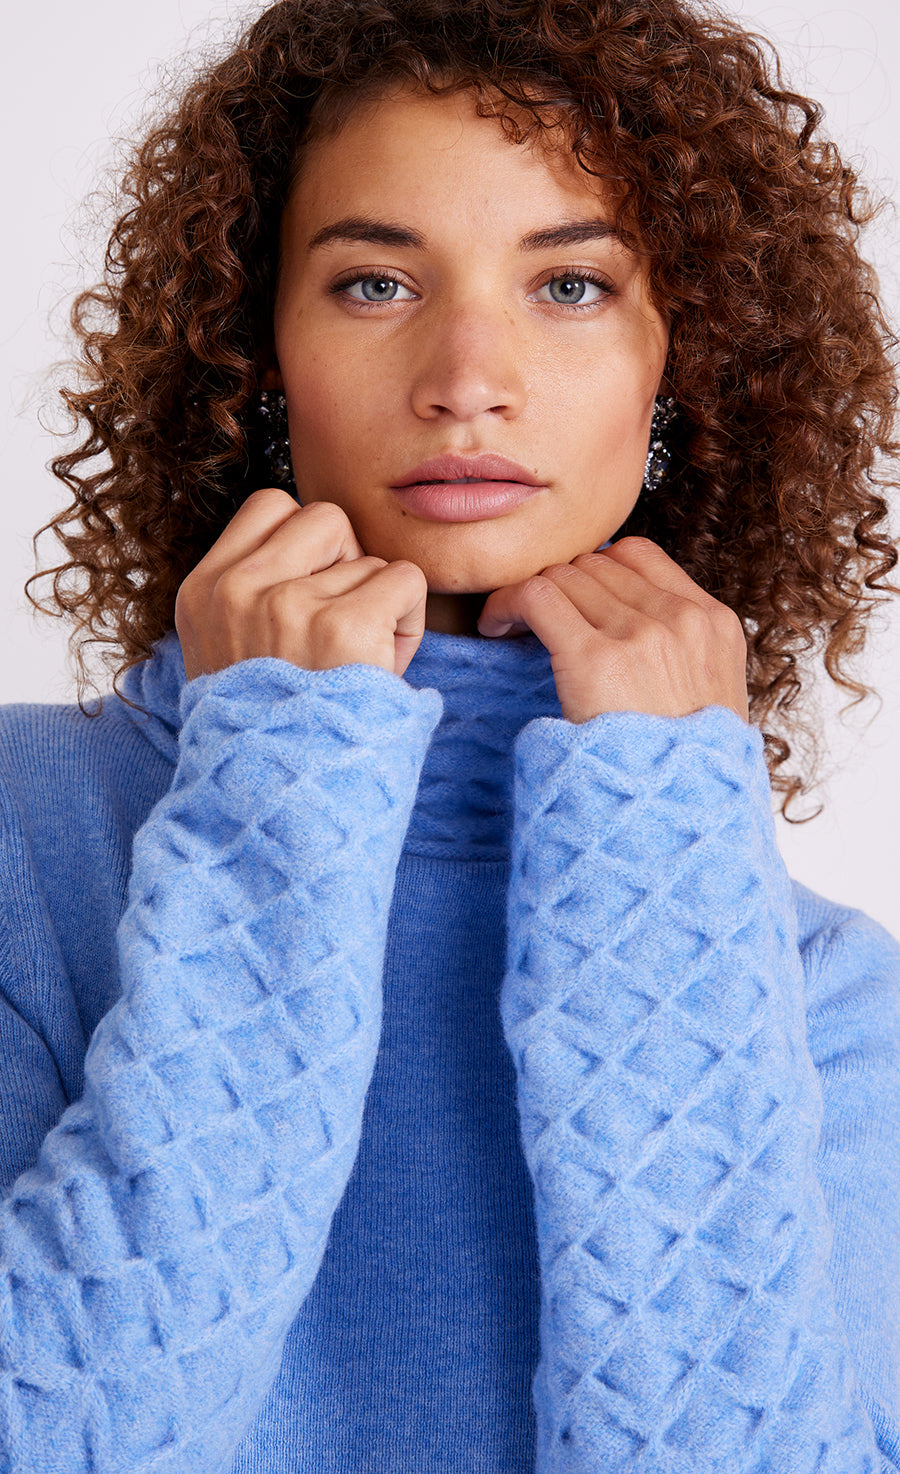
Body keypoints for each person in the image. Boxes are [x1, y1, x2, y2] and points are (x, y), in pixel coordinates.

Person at [1, 0, 898, 1469]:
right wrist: (280, 775)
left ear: (679, 370)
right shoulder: (26, 831)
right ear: (259, 354)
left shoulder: (818, 985)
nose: (468, 375)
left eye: (571, 286)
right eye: (374, 283)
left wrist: (663, 835)